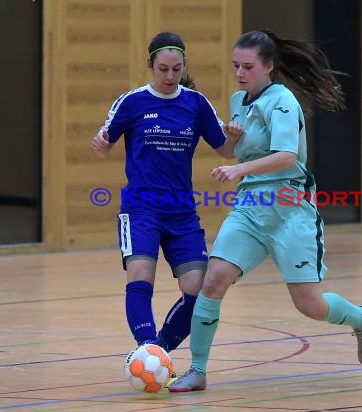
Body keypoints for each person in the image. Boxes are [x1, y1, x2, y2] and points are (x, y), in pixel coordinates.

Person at [169, 30, 362, 392]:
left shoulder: (282, 100)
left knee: (310, 305)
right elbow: (233, 153)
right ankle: (198, 370)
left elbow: (286, 156)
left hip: (290, 208)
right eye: (235, 65)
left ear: (269, 66)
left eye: (248, 66)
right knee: (213, 280)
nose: (240, 72)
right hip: (250, 206)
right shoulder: (239, 100)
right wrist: (231, 143)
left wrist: (238, 170)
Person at [90, 32, 242, 384]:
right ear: (151, 66)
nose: (170, 76)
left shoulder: (195, 103)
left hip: (182, 213)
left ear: (184, 66)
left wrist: (232, 137)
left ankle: (155, 352)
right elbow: (105, 142)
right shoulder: (133, 102)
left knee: (198, 289)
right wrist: (101, 143)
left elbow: (224, 150)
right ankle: (147, 347)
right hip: (141, 209)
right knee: (140, 276)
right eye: (163, 69)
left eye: (176, 69)